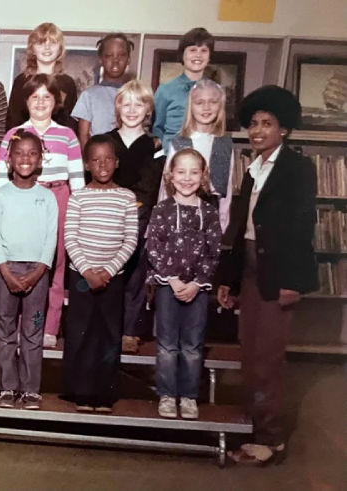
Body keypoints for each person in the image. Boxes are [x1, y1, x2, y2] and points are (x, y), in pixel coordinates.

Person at [217, 86, 318, 466]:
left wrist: (293, 281)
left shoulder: (296, 169)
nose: (258, 131)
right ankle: (258, 429)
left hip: (278, 273)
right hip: (249, 269)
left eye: (268, 124)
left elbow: (301, 226)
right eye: (254, 124)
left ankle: (272, 439)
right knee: (250, 357)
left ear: (284, 130)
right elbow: (239, 228)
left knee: (268, 360)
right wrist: (228, 278)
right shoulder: (252, 168)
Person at [0, 74, 84, 348]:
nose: (41, 102)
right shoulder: (14, 134)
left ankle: (47, 327)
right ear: (26, 101)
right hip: (23, 197)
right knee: (26, 260)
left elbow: (78, 179)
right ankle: (25, 327)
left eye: (47, 97)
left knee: (54, 262)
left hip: (58, 196)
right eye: (35, 97)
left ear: (56, 102)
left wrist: (78, 209)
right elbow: (1, 178)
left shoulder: (67, 135)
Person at [61, 134, 137, 413]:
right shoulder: (78, 197)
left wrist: (108, 270)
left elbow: (130, 240)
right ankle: (80, 392)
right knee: (81, 333)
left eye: (108, 159)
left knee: (108, 335)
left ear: (116, 162)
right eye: (96, 160)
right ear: (86, 165)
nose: (102, 165)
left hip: (112, 278)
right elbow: (70, 237)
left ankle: (103, 395)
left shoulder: (126, 197)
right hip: (81, 277)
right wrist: (87, 271)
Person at [145, 148, 222, 420]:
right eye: (181, 171)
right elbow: (153, 247)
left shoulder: (210, 213)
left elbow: (214, 252)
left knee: (192, 345)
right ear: (170, 175)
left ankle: (189, 397)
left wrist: (198, 283)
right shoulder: (162, 210)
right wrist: (173, 279)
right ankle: (167, 395)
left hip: (197, 290)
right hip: (168, 287)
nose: (187, 178)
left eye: (194, 172)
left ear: (203, 176)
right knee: (167, 344)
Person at [0, 129, 58, 410]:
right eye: (19, 153)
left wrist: (38, 271)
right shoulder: (0, 196)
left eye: (32, 153)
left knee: (33, 329)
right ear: (8, 159)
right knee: (4, 330)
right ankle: (7, 387)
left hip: (37, 273)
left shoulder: (48, 198)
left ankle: (30, 389)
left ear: (40, 159)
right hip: (5, 271)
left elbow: (51, 238)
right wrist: (5, 271)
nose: (25, 159)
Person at [106, 80, 165, 354]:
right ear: (118, 107)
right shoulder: (106, 141)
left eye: (138, 104)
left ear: (148, 109)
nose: (132, 110)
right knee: (110, 273)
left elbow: (151, 184)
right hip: (107, 217)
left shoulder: (155, 145)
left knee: (135, 274)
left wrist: (137, 210)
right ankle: (107, 328)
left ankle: (130, 330)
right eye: (126, 104)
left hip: (141, 215)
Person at [160, 79, 235, 232]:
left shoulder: (225, 144)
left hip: (211, 215)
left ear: (220, 106)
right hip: (180, 213)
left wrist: (222, 223)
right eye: (199, 102)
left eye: (212, 102)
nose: (206, 107)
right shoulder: (180, 142)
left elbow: (226, 190)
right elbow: (166, 186)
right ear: (191, 107)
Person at [6, 23, 78, 131]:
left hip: (58, 142)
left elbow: (71, 122)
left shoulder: (68, 83)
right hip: (26, 141)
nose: (47, 48)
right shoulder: (21, 81)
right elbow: (13, 120)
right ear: (32, 49)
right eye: (41, 43)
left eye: (52, 43)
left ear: (60, 48)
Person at [153, 27, 214, 151]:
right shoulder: (166, 90)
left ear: (209, 57)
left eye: (203, 50)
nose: (198, 55)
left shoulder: (216, 91)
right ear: (182, 54)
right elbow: (157, 128)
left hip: (204, 154)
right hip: (172, 155)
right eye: (192, 50)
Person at [71, 33, 133, 147]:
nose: (115, 61)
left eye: (121, 55)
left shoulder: (135, 96)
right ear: (100, 60)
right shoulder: (89, 96)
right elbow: (83, 137)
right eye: (109, 55)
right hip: (99, 160)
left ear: (128, 59)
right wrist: (87, 162)